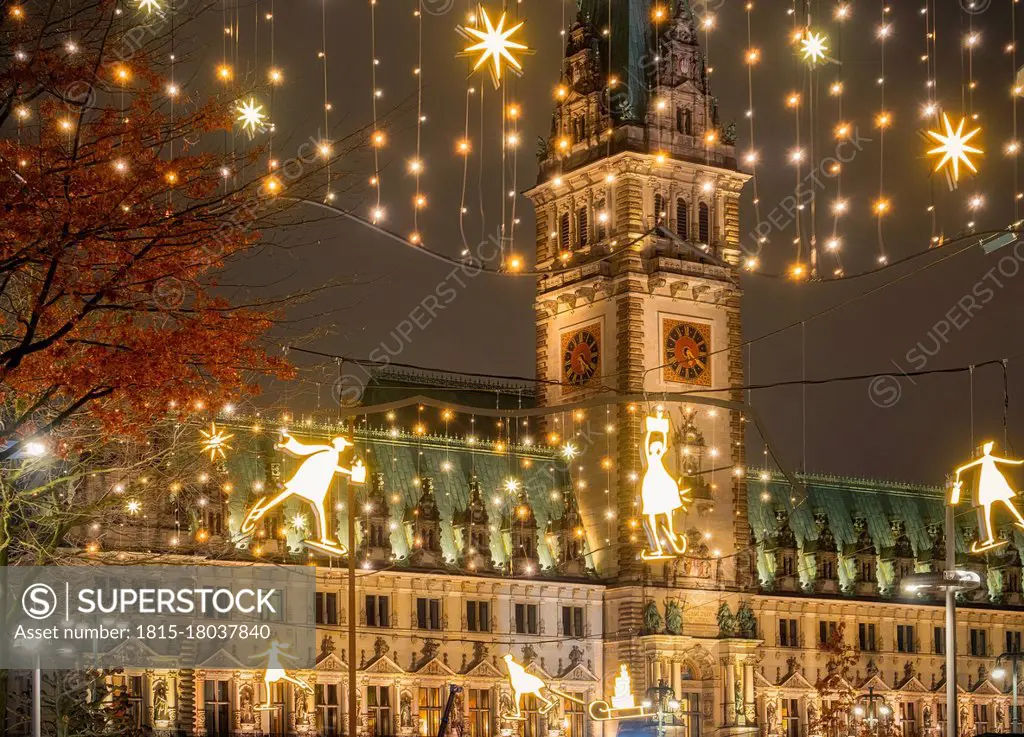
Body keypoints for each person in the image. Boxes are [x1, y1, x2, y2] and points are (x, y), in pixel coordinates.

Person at [952, 441, 1024, 552]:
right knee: (992, 509)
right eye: (987, 448)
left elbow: (1006, 461)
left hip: (993, 483)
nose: (988, 450)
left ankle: (994, 535)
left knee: (1003, 504)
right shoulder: (985, 459)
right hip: (988, 485)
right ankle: (990, 537)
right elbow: (964, 467)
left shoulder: (988, 458)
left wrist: (1019, 461)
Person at [640, 411, 690, 559]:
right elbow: (656, 442)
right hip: (657, 482)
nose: (657, 448)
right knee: (663, 512)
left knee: (654, 515)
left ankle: (664, 541)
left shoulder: (654, 455)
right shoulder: (653, 456)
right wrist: (654, 431)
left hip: (655, 482)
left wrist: (657, 430)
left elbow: (662, 443)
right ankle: (668, 537)